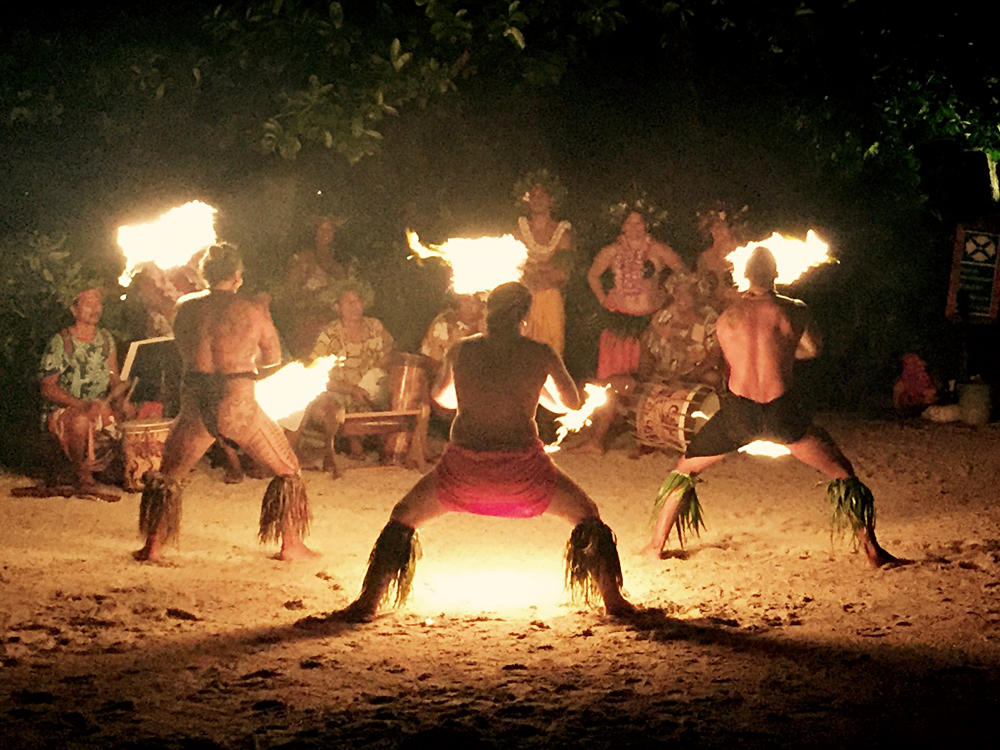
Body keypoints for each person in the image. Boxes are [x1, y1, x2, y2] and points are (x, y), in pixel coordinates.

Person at [333, 282, 635, 621]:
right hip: (523, 474)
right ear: (524, 316)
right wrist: (533, 388)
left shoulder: (462, 350)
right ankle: (614, 601)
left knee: (402, 516)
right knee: (588, 515)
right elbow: (570, 403)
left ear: (489, 312)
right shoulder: (540, 352)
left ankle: (368, 602)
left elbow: (443, 398)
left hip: (463, 472)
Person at [646, 246, 898, 567]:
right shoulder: (795, 310)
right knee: (842, 472)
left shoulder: (727, 317)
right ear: (776, 275)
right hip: (783, 413)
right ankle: (873, 550)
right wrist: (785, 352)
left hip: (739, 414)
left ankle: (656, 545)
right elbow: (814, 349)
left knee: (684, 470)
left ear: (745, 276)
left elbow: (732, 359)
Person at [133, 243, 317, 563]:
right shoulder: (252, 311)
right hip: (237, 403)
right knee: (288, 470)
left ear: (205, 275)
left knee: (168, 476)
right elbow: (274, 360)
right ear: (237, 277)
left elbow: (183, 348)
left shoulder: (185, 308)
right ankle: (291, 545)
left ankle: (153, 546)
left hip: (195, 402)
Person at [571, 272, 722, 455]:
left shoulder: (709, 320)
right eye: (677, 293)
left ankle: (708, 439)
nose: (681, 298)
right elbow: (647, 348)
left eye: (686, 293)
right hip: (660, 378)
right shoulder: (663, 317)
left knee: (712, 378)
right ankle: (595, 442)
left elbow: (714, 357)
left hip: (692, 381)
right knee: (612, 385)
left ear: (696, 295)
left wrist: (689, 376)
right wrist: (645, 378)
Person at [39, 287, 133, 490]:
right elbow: (47, 388)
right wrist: (82, 404)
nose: (95, 309)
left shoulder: (105, 339)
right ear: (74, 310)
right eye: (88, 304)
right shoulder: (61, 342)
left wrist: (121, 399)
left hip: (98, 405)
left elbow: (113, 378)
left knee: (135, 414)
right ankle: (81, 472)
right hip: (66, 409)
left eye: (98, 303)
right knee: (81, 422)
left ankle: (131, 471)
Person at [293, 276, 394, 463]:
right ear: (337, 307)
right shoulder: (330, 334)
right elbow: (316, 375)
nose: (354, 306)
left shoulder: (375, 327)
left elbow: (388, 356)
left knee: (395, 391)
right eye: (348, 303)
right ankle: (345, 446)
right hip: (339, 391)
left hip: (371, 388)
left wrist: (374, 377)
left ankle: (390, 446)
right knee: (332, 406)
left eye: (357, 301)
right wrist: (352, 389)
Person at [588, 210, 686, 380]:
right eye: (629, 223)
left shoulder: (658, 250)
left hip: (651, 320)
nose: (634, 227)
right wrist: (603, 299)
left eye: (638, 222)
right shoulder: (611, 251)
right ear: (623, 226)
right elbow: (593, 275)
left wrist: (671, 300)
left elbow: (683, 272)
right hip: (620, 321)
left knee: (647, 373)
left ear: (645, 225)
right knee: (617, 376)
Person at [513, 173, 572, 357]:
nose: (537, 200)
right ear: (527, 201)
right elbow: (515, 266)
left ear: (551, 200)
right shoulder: (519, 230)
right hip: (524, 298)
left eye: (542, 195)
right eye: (533, 196)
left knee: (550, 352)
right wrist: (540, 270)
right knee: (523, 350)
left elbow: (562, 272)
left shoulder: (561, 232)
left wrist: (535, 270)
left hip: (549, 299)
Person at [276, 215, 350, 358]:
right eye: (321, 229)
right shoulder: (303, 259)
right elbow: (289, 295)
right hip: (308, 326)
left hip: (335, 327)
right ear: (314, 232)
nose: (325, 234)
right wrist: (318, 295)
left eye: (329, 230)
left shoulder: (340, 262)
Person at [419, 293, 486, 370]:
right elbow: (432, 359)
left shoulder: (485, 327)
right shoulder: (444, 323)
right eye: (466, 301)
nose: (470, 306)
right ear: (459, 301)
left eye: (474, 302)